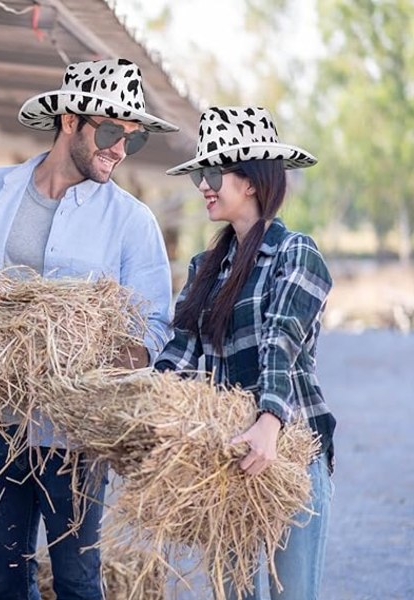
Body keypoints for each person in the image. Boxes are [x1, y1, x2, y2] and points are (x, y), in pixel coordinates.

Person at [0, 58, 177, 600]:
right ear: (70, 120)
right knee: (3, 583)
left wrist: (94, 358)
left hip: (75, 440)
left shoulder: (131, 221)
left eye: (131, 141)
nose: (119, 149)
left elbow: (156, 324)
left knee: (77, 582)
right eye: (111, 132)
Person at [154, 106, 336, 599]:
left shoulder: (298, 254)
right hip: (228, 457)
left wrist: (268, 423)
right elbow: (181, 354)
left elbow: (280, 343)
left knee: (289, 595)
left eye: (213, 173)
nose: (203, 186)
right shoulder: (203, 267)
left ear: (252, 181)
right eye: (200, 174)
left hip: (288, 452)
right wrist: (141, 408)